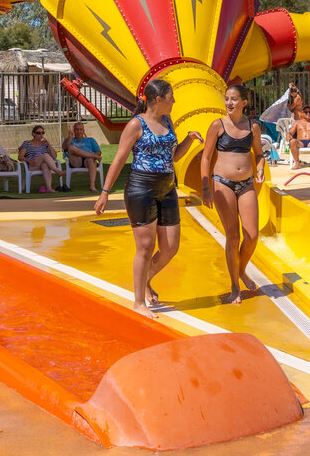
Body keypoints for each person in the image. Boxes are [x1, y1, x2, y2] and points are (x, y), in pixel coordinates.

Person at [95, 79, 203, 318]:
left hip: (167, 188)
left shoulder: (167, 121)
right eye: (171, 97)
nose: (174, 101)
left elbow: (173, 156)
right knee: (145, 247)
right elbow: (119, 159)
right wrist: (105, 193)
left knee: (170, 247)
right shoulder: (137, 124)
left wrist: (189, 139)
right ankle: (138, 302)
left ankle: (145, 280)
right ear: (158, 99)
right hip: (141, 188)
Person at [200, 84, 266, 304]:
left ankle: (242, 269)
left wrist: (260, 169)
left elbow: (259, 154)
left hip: (246, 184)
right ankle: (235, 286)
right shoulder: (217, 125)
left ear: (244, 102)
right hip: (222, 183)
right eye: (227, 98)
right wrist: (206, 188)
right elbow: (206, 157)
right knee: (233, 236)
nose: (229, 103)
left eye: (234, 99)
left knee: (252, 236)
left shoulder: (253, 127)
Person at [18, 125, 63, 192]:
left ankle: (49, 188)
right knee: (45, 155)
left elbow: (54, 157)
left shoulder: (44, 144)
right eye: (38, 133)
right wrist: (28, 160)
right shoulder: (27, 143)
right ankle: (57, 171)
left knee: (44, 165)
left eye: (42, 133)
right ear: (33, 134)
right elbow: (20, 156)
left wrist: (49, 145)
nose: (41, 135)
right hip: (32, 165)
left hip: (43, 165)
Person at [61, 121, 102, 190]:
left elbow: (98, 152)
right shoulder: (69, 140)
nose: (79, 131)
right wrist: (70, 137)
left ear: (83, 131)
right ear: (74, 131)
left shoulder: (90, 140)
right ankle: (91, 156)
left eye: (81, 129)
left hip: (88, 160)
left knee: (90, 160)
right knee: (71, 148)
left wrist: (95, 155)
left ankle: (92, 186)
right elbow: (64, 147)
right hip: (76, 161)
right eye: (76, 129)